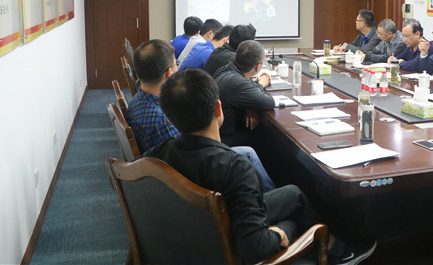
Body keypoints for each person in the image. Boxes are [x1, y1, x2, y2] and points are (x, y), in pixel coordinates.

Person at [148, 68, 376, 265]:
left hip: (195, 230)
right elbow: (255, 248)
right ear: (218, 109)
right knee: (293, 224)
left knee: (293, 194)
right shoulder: (236, 168)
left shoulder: (155, 156)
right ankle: (337, 252)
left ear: (170, 119)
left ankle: (334, 246)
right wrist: (277, 234)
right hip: (226, 248)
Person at [127, 39, 276, 191]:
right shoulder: (161, 121)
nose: (178, 68)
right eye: (176, 64)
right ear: (169, 73)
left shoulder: (139, 100)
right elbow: (190, 159)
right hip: (193, 182)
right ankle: (268, 195)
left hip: (167, 179)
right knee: (249, 154)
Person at [214, 40, 275, 147]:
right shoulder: (237, 82)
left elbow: (244, 87)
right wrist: (261, 84)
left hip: (217, 134)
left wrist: (249, 105)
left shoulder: (225, 69)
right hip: (223, 140)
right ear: (257, 67)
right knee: (267, 138)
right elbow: (269, 102)